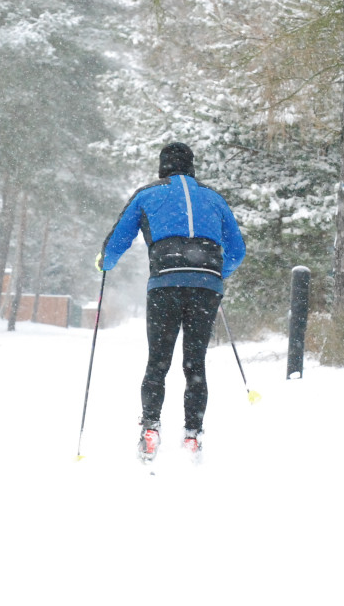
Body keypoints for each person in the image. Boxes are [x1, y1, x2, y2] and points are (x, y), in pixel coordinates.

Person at [97, 141, 245, 462]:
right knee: (195, 363)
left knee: (158, 361)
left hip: (165, 283)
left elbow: (117, 240)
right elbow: (237, 250)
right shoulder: (214, 198)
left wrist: (105, 262)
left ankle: (150, 428)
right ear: (192, 166)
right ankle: (192, 435)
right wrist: (218, 274)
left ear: (162, 166)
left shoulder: (147, 194)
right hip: (206, 285)